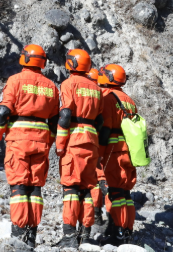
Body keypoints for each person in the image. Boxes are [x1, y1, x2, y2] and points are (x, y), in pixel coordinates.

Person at [0, 45, 60, 248]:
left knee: (19, 187)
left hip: (18, 141)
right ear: (43, 62)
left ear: (25, 59)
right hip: (41, 142)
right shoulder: (51, 86)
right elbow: (56, 121)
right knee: (35, 187)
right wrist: (50, 141)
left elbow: (3, 112)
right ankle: (32, 234)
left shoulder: (15, 81)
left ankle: (19, 235)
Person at [55, 49, 104, 248]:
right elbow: (99, 121)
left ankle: (69, 237)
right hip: (91, 141)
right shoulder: (96, 88)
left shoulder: (68, 84)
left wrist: (60, 145)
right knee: (87, 188)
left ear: (72, 64)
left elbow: (65, 115)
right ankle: (85, 236)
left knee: (71, 188)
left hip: (74, 140)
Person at [98, 64, 137, 245]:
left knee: (114, 192)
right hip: (129, 152)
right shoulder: (129, 100)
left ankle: (116, 234)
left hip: (113, 151)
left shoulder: (107, 98)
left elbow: (105, 129)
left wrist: (99, 153)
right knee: (126, 193)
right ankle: (127, 231)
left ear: (110, 77)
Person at [87, 68, 108, 227]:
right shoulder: (103, 95)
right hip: (107, 144)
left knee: (93, 181)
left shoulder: (91, 95)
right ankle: (109, 221)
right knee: (103, 180)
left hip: (92, 142)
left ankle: (96, 216)